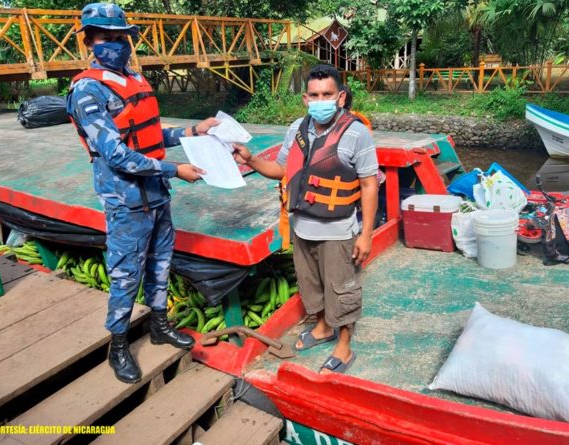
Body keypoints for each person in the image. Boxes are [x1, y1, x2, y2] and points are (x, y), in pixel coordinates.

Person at [66, 2, 220, 384]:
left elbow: (150, 136)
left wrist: (192, 133)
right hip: (125, 200)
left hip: (157, 192)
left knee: (160, 263)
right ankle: (117, 345)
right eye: (106, 38)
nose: (116, 44)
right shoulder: (88, 90)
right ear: (89, 41)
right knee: (125, 274)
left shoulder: (133, 80)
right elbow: (116, 154)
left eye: (121, 37)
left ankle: (159, 325)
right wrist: (176, 170)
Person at [232, 64, 379, 374]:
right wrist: (252, 159)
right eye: (314, 95)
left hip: (339, 229)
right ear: (305, 98)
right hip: (303, 226)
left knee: (342, 288)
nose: (320, 100)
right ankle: (324, 327)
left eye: (327, 94)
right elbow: (282, 169)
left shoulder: (356, 133)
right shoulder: (297, 128)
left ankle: (344, 345)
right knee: (312, 285)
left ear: (340, 97)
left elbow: (368, 185)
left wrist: (366, 234)